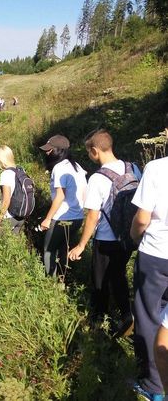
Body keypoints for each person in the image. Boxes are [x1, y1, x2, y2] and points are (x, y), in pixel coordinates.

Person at [69, 129, 139, 335]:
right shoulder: (133, 168)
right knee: (118, 275)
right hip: (128, 237)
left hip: (106, 239)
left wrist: (81, 244)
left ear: (94, 151)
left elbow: (92, 216)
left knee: (100, 280)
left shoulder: (97, 178)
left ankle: (98, 322)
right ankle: (127, 314)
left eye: (89, 152)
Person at [130, 114, 168, 401]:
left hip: (156, 254)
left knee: (149, 316)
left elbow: (141, 219)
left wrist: (134, 239)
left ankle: (154, 386)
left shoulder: (156, 169)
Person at [39, 135, 87, 277]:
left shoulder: (59, 168)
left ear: (58, 150)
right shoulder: (77, 166)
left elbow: (60, 196)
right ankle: (62, 280)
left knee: (49, 250)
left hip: (62, 218)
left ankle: (50, 284)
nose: (46, 153)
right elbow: (84, 190)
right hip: (77, 218)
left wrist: (48, 219)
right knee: (62, 249)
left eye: (49, 150)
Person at [0, 145, 26, 234]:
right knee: (16, 246)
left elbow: (6, 200)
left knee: (0, 246)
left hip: (9, 218)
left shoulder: (6, 174)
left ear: (0, 159)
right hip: (20, 217)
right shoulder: (21, 170)